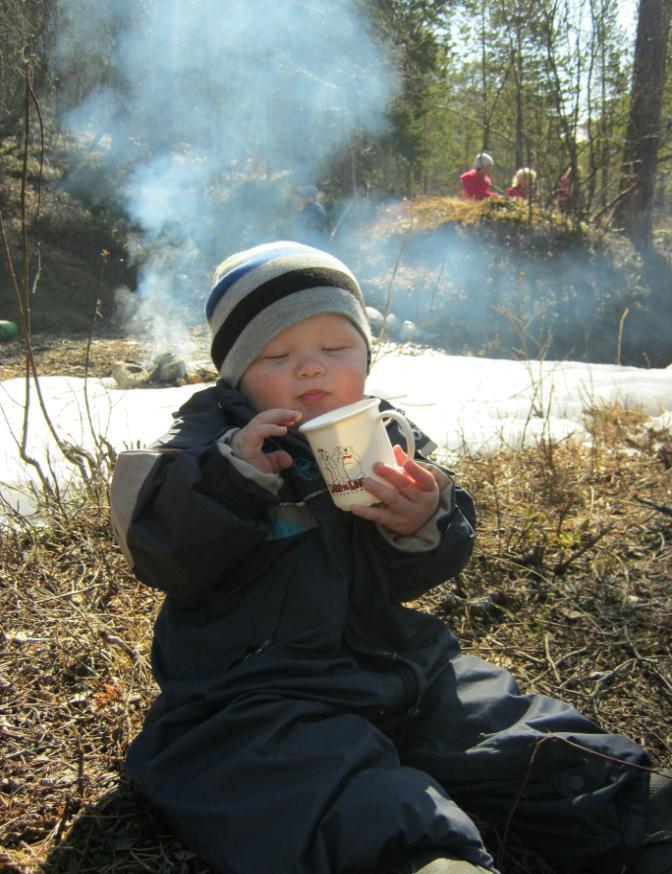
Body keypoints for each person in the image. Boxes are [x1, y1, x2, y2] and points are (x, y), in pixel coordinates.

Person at [110, 240, 671, 874]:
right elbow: (165, 557)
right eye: (277, 355)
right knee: (316, 784)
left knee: (509, 729)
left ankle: (642, 815)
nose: (311, 369)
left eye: (335, 348)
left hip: (396, 662)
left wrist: (422, 521)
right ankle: (424, 861)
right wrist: (232, 479)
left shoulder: (390, 436)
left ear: (367, 357)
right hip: (259, 693)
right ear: (235, 374)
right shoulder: (199, 451)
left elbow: (417, 569)